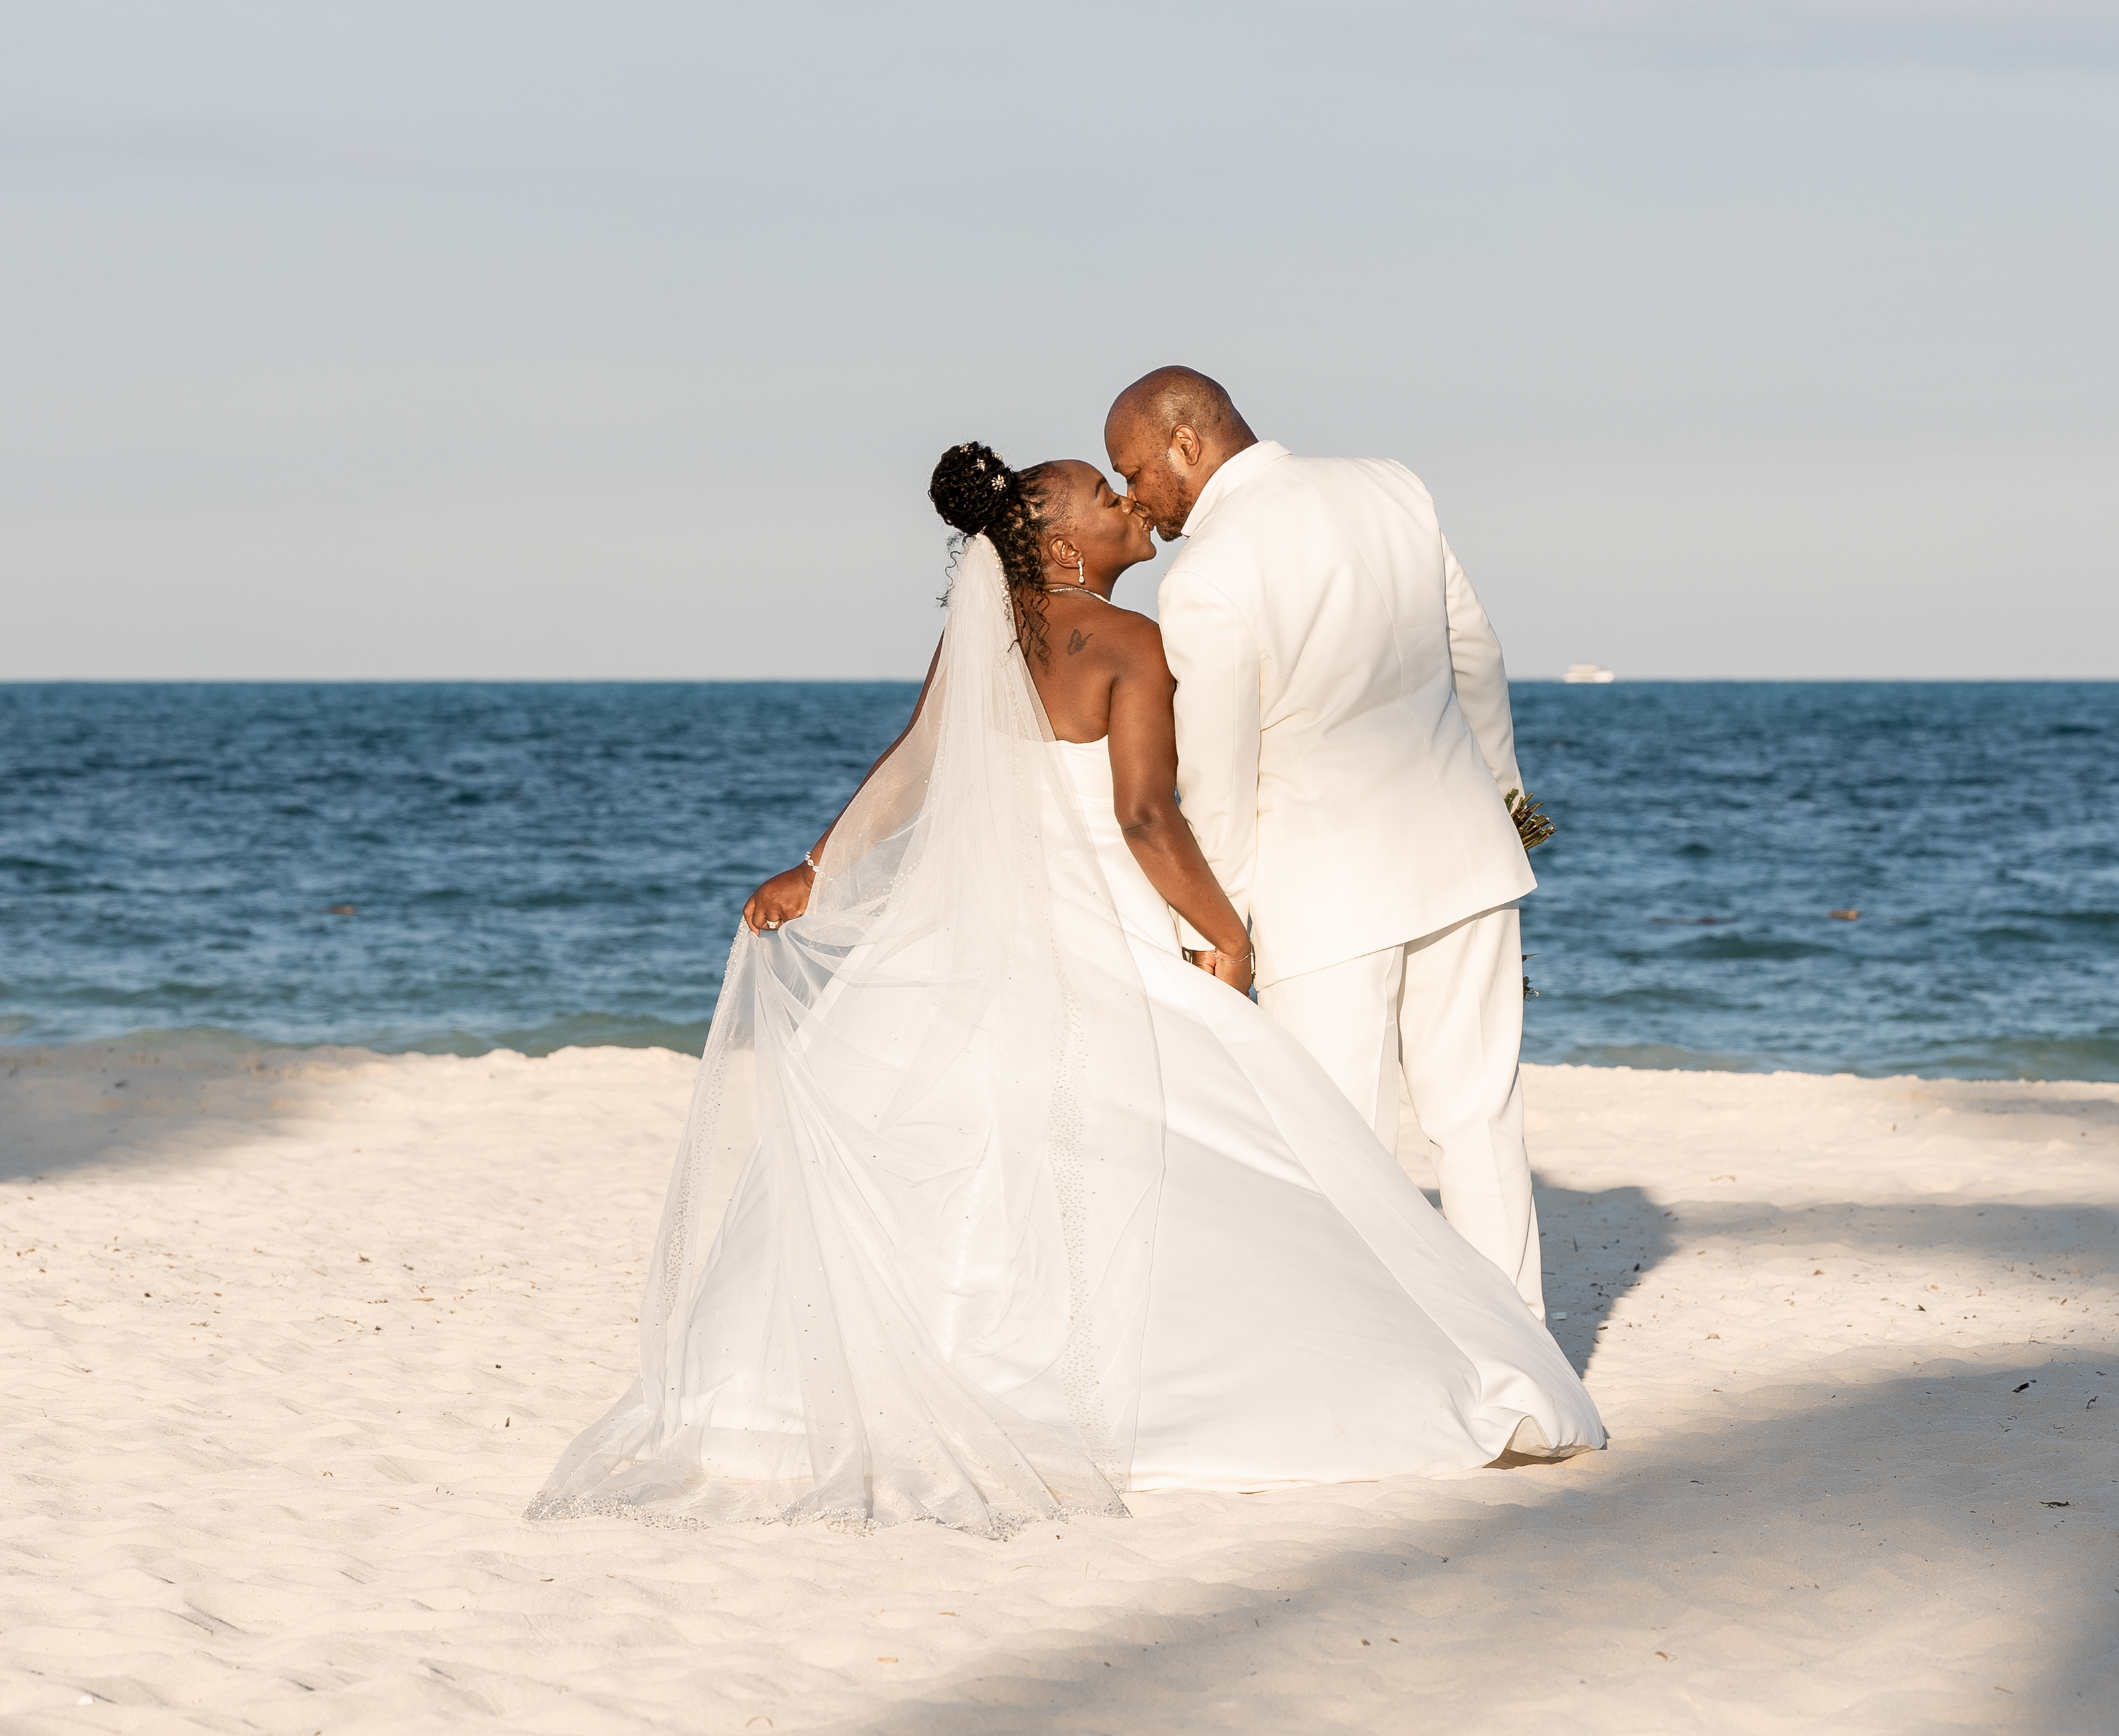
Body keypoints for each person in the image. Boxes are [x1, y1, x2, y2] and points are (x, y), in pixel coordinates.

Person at [530, 443, 1601, 1534]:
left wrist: (816, 868)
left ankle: (904, 1391)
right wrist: (1227, 931)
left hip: (972, 947)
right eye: (1104, 494)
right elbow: (1146, 818)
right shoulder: (1130, 641)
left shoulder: (980, 639)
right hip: (1104, 940)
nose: (1128, 501)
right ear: (1057, 544)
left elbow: (909, 764)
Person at [1103, 367, 1550, 1313]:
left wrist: (1216, 928)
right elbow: (1478, 654)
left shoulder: (1208, 574)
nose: (1134, 495)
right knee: (1479, 1122)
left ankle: (1385, 1372)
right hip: (1465, 855)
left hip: (1326, 895)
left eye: (1134, 469)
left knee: (1338, 1143)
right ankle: (1525, 1378)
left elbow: (1216, 779)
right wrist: (1504, 804)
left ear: (1186, 444)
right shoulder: (1392, 485)